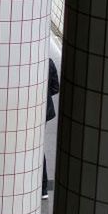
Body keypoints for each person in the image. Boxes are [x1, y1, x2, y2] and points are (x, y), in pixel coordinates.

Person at [43, 58, 60, 200]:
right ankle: (43, 189)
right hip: (45, 111)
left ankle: (41, 187)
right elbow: (55, 88)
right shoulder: (48, 62)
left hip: (30, 112)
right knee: (38, 148)